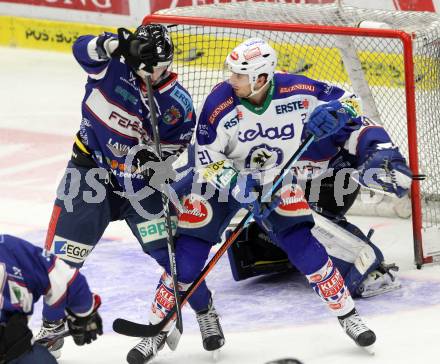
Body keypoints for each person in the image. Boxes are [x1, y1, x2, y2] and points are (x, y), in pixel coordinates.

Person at [138, 36, 414, 360]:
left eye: (240, 75)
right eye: (232, 74)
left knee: (305, 249)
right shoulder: (220, 103)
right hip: (221, 185)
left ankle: (349, 316)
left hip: (276, 180)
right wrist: (238, 187)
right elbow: (206, 160)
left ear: (261, 77)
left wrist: (336, 113)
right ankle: (154, 332)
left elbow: (350, 102)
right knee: (186, 258)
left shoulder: (297, 90)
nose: (232, 80)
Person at [38, 24, 222, 364]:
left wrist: (156, 162)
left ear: (161, 65)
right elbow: (81, 48)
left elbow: (174, 149)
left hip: (140, 189)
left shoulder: (177, 105)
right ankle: (51, 329)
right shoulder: (113, 65)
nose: (140, 70)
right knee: (62, 261)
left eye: (147, 64)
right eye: (135, 58)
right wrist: (107, 43)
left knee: (174, 262)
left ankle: (204, 309)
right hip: (89, 175)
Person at [227, 116, 408, 297]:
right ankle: (269, 242)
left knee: (302, 213)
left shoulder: (323, 111)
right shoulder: (259, 128)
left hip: (334, 181)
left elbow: (364, 128)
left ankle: (355, 261)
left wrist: (382, 153)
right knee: (275, 202)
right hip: (293, 183)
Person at [0, 234, 102, 364]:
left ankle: (52, 327)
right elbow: (69, 281)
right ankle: (52, 326)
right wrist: (85, 314)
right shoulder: (13, 248)